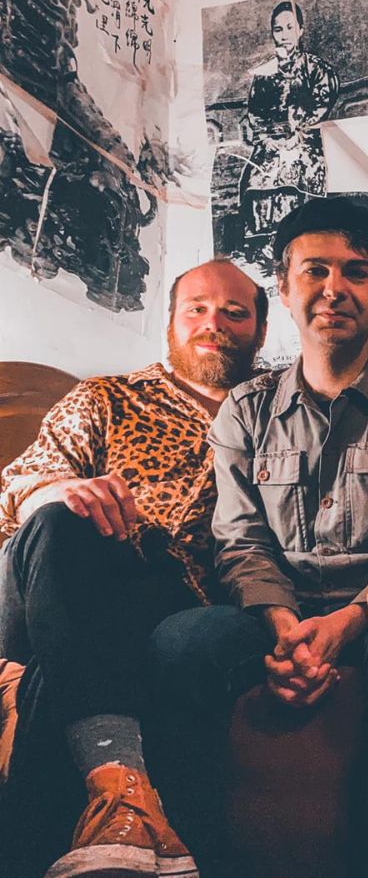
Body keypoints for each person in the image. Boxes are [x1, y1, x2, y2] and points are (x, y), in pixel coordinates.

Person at [146, 198, 368, 878]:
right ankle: (196, 859)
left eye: (356, 272)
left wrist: (346, 624)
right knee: (179, 641)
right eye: (315, 270)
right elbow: (240, 541)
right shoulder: (246, 410)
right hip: (277, 614)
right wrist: (284, 629)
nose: (334, 288)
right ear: (284, 287)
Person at [0, 259, 267, 878]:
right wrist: (65, 492)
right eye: (197, 308)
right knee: (64, 518)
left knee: (57, 673)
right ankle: (124, 798)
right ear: (170, 321)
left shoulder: (275, 411)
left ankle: (111, 820)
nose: (214, 322)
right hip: (70, 574)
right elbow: (20, 484)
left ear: (260, 329)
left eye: (235, 312)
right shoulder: (105, 396)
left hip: (180, 601)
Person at [238, 0, 339, 235]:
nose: (284, 35)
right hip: (271, 143)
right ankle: (266, 237)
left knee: (300, 171)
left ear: (300, 30)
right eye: (278, 29)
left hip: (306, 140)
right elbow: (255, 112)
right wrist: (266, 138)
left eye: (290, 27)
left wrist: (299, 133)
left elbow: (322, 104)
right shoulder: (264, 74)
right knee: (254, 179)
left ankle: (301, 231)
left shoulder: (316, 68)